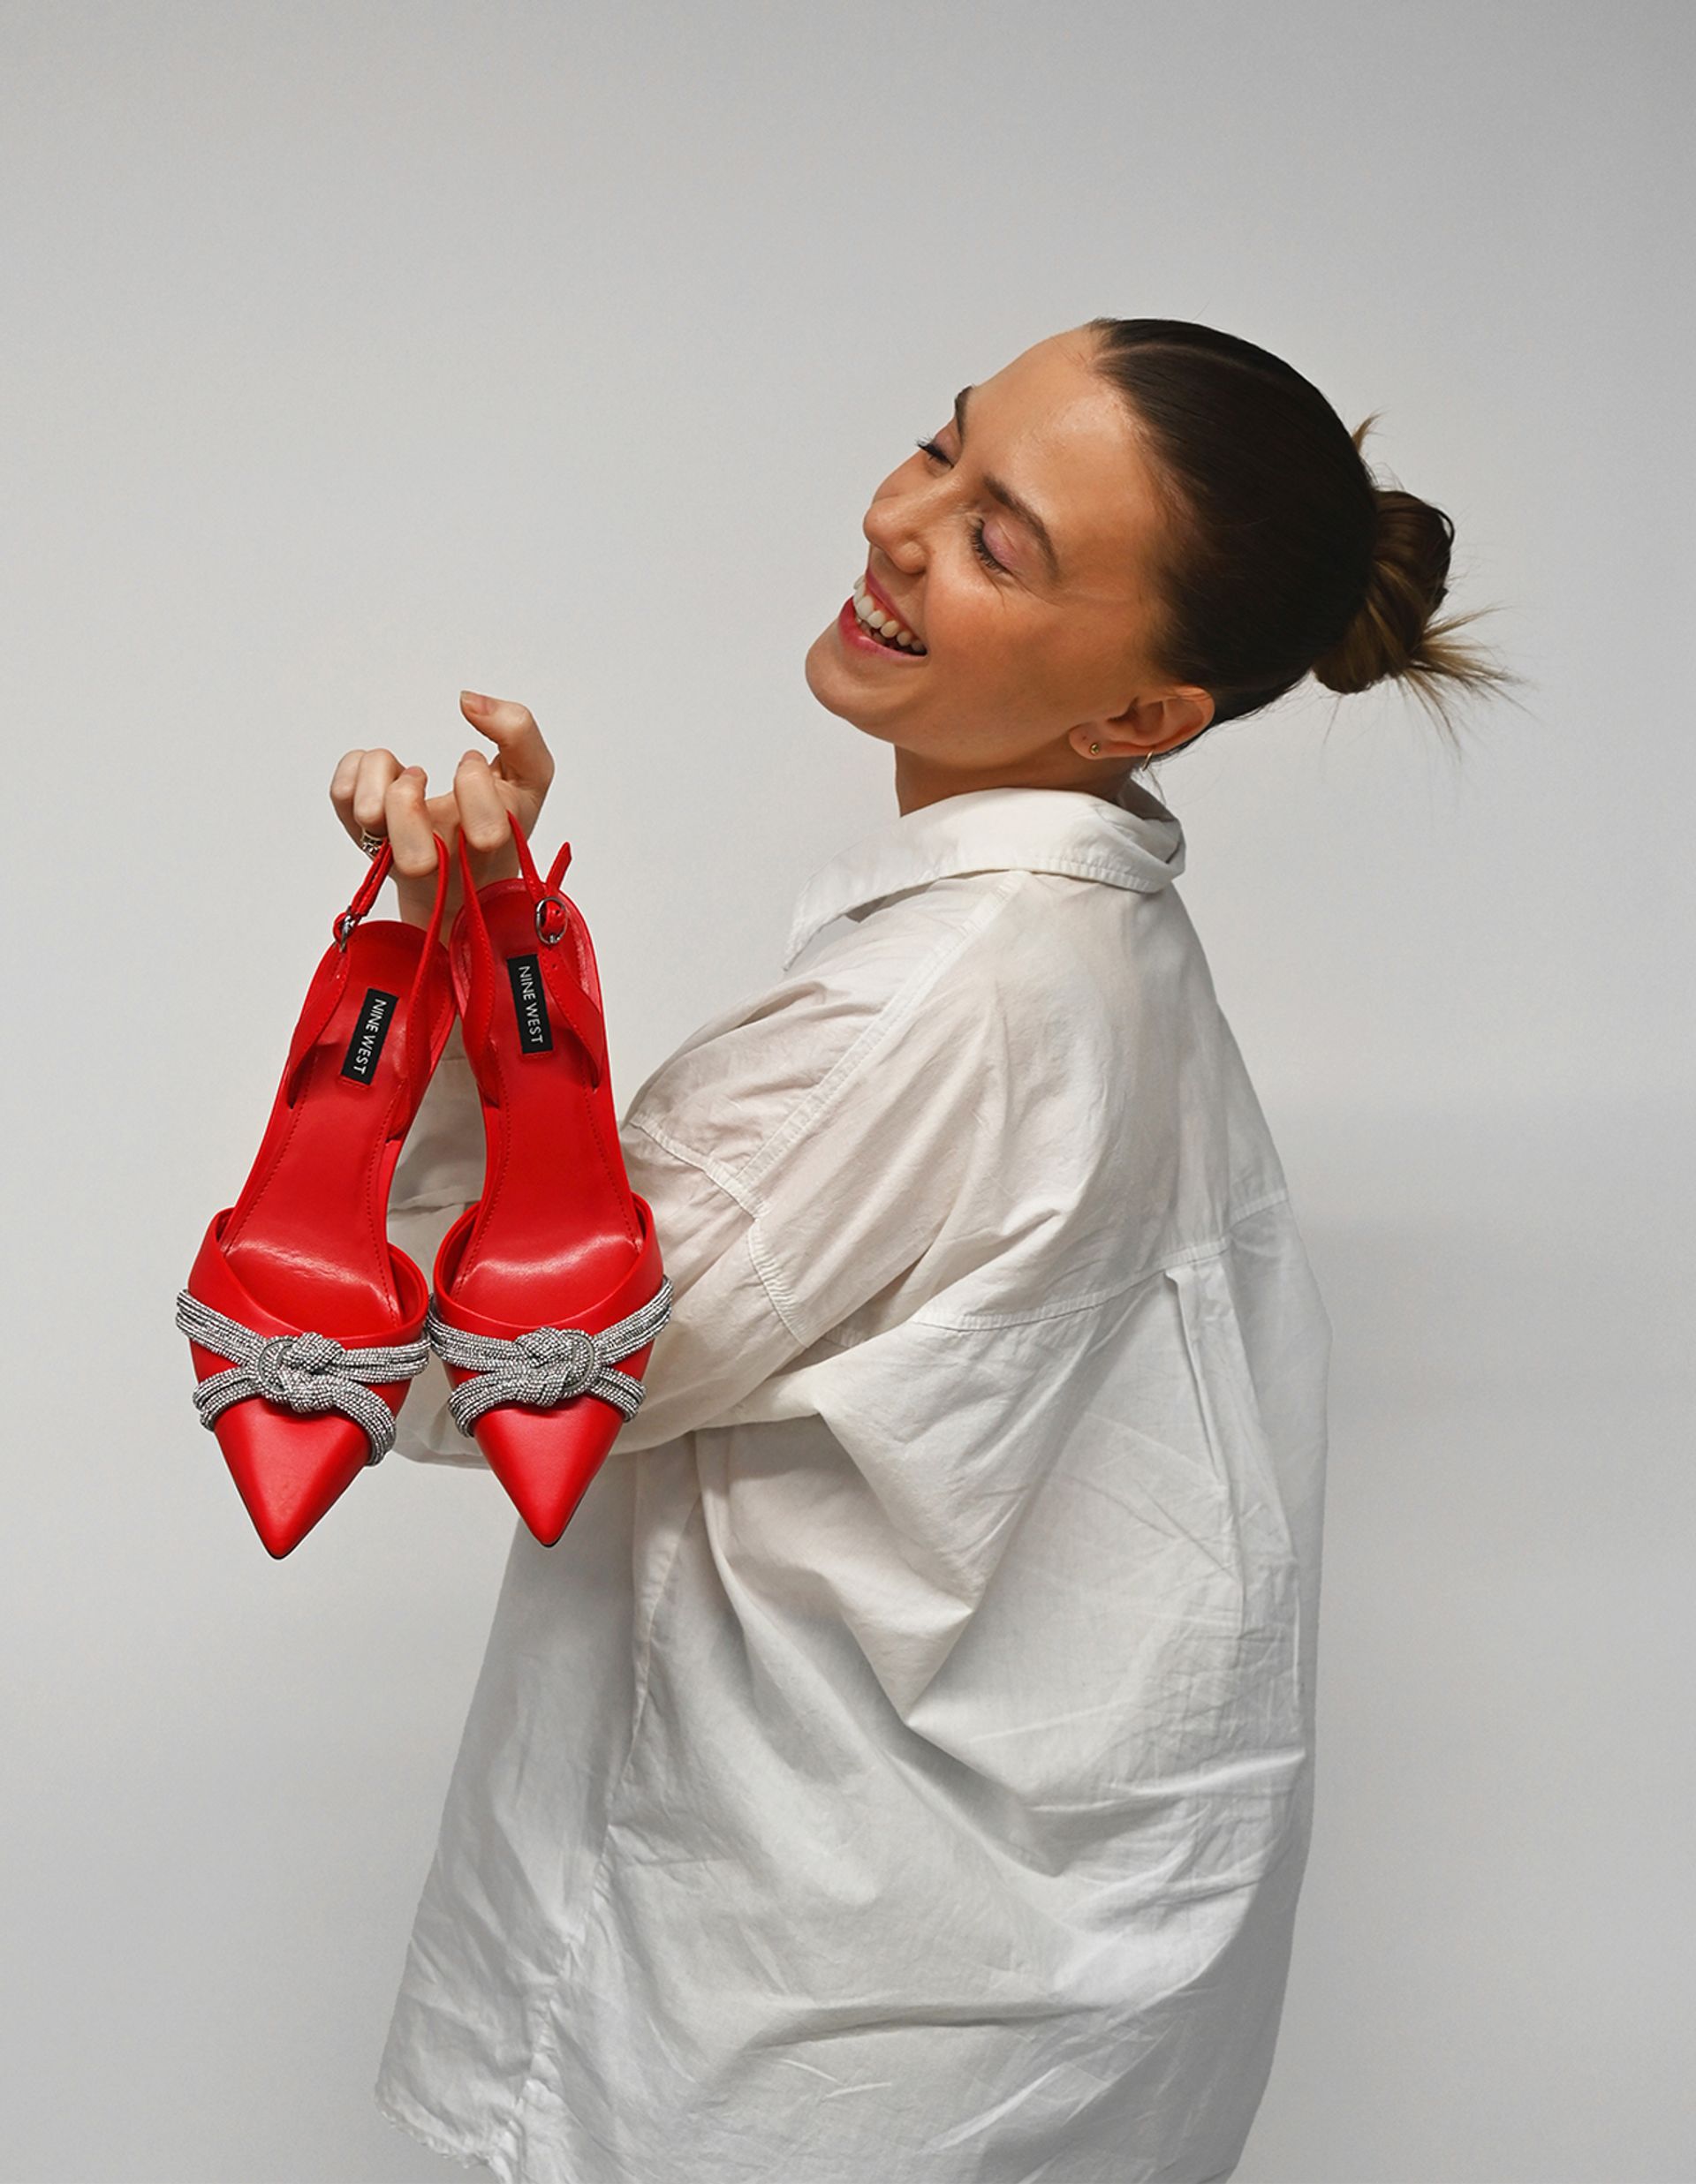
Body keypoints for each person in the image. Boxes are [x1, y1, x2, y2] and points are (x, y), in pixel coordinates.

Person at [338, 318, 1514, 2184]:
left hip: (805, 2036)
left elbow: (463, 1370)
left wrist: (432, 957)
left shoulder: (942, 1005)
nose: (901, 522)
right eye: (943, 449)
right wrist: (496, 939)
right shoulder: (1096, 956)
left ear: (1140, 720)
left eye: (999, 542)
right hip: (1002, 2009)